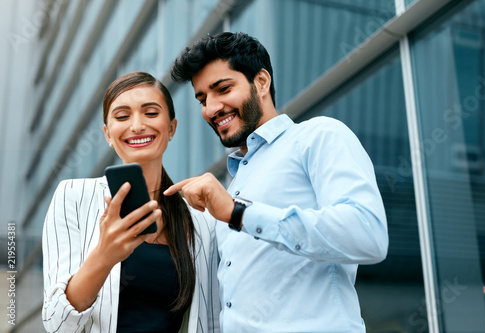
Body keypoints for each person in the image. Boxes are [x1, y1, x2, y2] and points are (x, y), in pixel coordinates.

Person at [164, 32, 389, 332]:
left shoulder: (317, 136)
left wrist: (239, 213)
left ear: (261, 82)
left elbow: (368, 234)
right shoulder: (235, 181)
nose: (211, 108)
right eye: (202, 98)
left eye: (223, 89)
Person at [42, 72, 220, 333]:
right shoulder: (73, 196)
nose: (136, 126)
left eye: (150, 113)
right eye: (122, 116)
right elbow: (57, 323)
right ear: (107, 134)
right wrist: (104, 256)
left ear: (171, 127)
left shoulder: (201, 220)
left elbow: (212, 320)